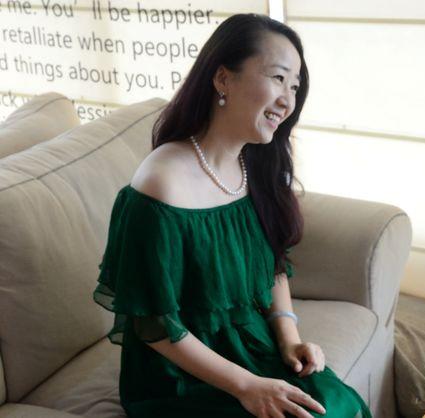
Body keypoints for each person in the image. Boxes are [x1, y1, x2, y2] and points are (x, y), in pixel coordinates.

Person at [93, 13, 372, 418]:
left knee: (338, 405)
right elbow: (154, 325)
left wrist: (290, 339)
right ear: (223, 79)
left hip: (250, 344)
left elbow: (273, 264)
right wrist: (247, 387)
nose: (288, 99)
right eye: (278, 78)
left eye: (295, 86)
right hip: (179, 374)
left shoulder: (256, 165)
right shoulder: (160, 184)